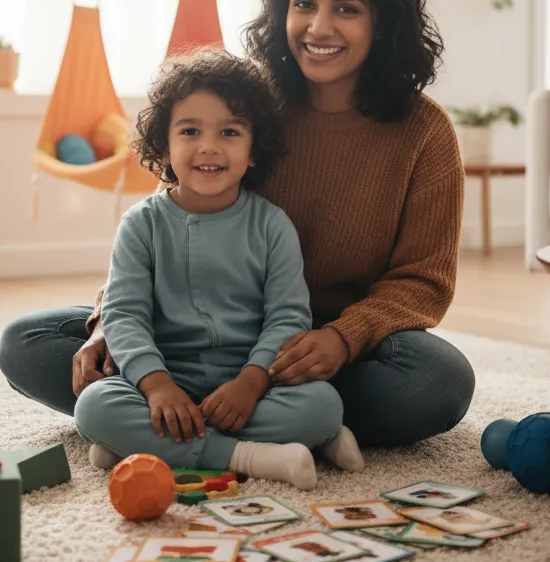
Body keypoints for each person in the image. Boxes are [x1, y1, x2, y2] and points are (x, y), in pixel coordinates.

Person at [0, 0, 474, 450]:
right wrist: (106, 324)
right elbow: (167, 217)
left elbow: (423, 280)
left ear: (383, 20)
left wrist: (342, 339)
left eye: (347, 8)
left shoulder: (424, 132)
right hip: (186, 335)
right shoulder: (245, 102)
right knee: (26, 343)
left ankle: (184, 424)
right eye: (303, 4)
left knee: (438, 382)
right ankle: (259, 427)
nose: (319, 27)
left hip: (321, 352)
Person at [72, 52, 362, 491]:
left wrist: (251, 381)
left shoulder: (272, 225)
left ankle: (143, 445)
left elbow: (287, 317)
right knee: (94, 406)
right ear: (165, 146)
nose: (209, 146)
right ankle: (255, 456)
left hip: (253, 383)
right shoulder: (140, 225)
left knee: (322, 404)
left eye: (229, 132)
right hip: (166, 377)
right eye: (190, 131)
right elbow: (124, 315)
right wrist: (157, 386)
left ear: (253, 151)